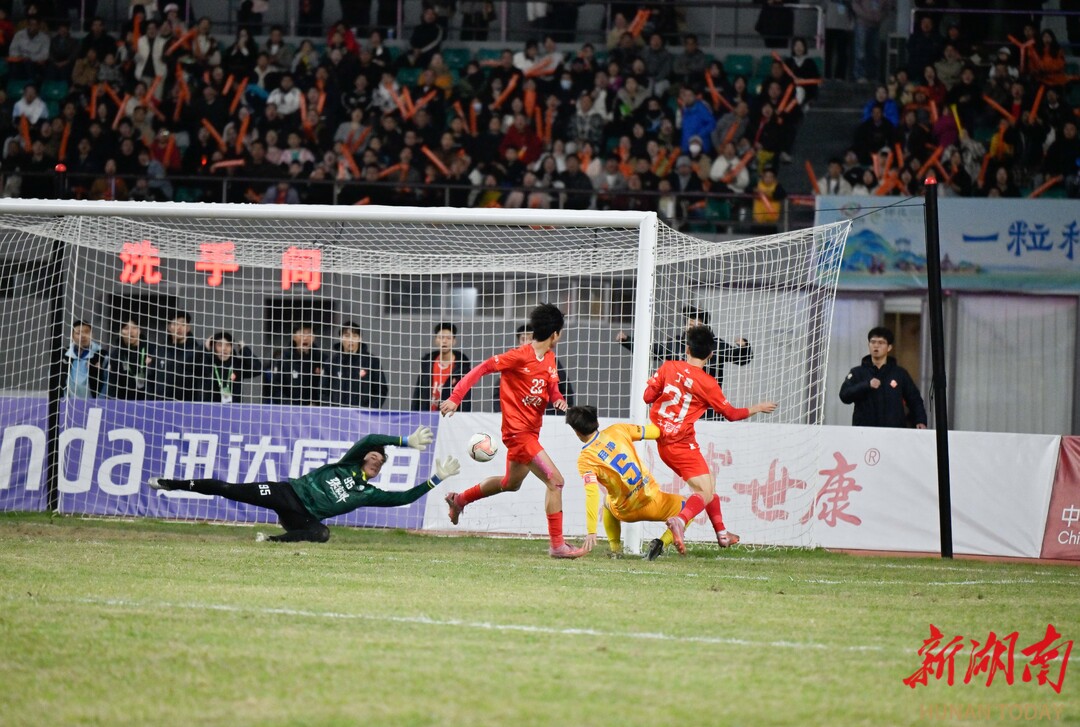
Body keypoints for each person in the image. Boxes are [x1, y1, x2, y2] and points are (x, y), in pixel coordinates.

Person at [441, 304, 589, 559]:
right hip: (518, 434)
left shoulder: (550, 358)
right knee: (556, 482)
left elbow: (552, 387)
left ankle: (460, 500)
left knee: (510, 484)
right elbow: (483, 367)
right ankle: (557, 546)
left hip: (531, 433)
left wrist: (558, 399)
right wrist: (456, 397)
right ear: (555, 334)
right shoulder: (519, 356)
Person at [149, 426, 458, 543]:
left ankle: (273, 541)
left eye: (381, 461)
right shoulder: (347, 464)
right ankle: (171, 483)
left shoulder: (368, 493)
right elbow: (371, 439)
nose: (377, 459)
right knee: (230, 489)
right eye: (374, 456)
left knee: (321, 534)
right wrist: (403, 441)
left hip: (303, 516)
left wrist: (436, 479)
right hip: (288, 493)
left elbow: (404, 497)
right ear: (364, 458)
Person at [645, 325, 777, 557]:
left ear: (687, 349)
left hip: (665, 440)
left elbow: (648, 397)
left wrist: (656, 385)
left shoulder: (668, 366)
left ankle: (722, 534)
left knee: (709, 484)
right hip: (680, 443)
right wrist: (758, 407)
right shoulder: (708, 383)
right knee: (704, 492)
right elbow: (732, 414)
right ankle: (680, 520)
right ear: (711, 355)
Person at [566, 405, 691, 559]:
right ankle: (661, 543)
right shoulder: (618, 430)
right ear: (596, 422)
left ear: (577, 431)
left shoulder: (585, 459)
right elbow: (655, 432)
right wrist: (675, 423)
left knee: (607, 501)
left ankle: (616, 551)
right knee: (689, 506)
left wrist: (592, 531)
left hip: (625, 511)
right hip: (653, 500)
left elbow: (592, 494)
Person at [616, 305, 753, 394]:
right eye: (690, 321)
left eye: (697, 322)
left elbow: (740, 358)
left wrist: (744, 347)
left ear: (704, 326)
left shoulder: (716, 345)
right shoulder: (676, 344)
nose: (692, 324)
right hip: (681, 404)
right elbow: (653, 350)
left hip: (708, 406)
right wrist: (628, 341)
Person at [839, 326, 928, 428]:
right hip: (864, 431)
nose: (876, 346)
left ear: (889, 347)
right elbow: (844, 395)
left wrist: (920, 420)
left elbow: (914, 399)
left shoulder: (899, 373)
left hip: (894, 431)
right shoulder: (857, 372)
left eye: (881, 343)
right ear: (868, 345)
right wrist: (866, 385)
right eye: (873, 342)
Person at [411, 322, 471, 412]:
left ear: (454, 341)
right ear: (436, 340)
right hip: (427, 415)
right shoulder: (427, 364)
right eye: (441, 337)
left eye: (448, 338)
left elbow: (466, 400)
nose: (444, 341)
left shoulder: (462, 368)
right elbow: (418, 393)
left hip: (449, 417)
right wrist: (413, 414)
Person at [327, 322, 387, 409]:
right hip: (338, 414)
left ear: (360, 338)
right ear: (340, 338)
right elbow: (323, 391)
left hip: (363, 415)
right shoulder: (332, 362)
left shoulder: (372, 361)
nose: (351, 340)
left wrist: (369, 410)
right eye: (347, 336)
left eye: (355, 336)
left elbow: (381, 390)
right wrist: (331, 411)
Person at [150, 311, 207, 401]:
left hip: (188, 405)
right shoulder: (160, 350)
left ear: (188, 328)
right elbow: (151, 378)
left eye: (183, 324)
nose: (179, 328)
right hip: (162, 404)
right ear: (169, 327)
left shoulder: (197, 352)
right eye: (175, 324)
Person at [268, 323, 326, 406]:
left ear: (314, 337)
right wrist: (290, 407)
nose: (305, 338)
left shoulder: (322, 359)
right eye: (302, 334)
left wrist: (317, 404)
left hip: (315, 409)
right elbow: (276, 389)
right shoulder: (283, 359)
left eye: (309, 334)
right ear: (294, 337)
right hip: (289, 409)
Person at [203, 331, 263, 403]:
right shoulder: (207, 363)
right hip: (210, 408)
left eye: (227, 345)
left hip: (234, 408)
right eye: (220, 345)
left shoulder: (237, 364)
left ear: (232, 348)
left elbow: (258, 369)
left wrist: (244, 349)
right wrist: (204, 348)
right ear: (213, 347)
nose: (224, 348)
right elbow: (190, 363)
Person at [107, 317, 151, 400]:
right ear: (120, 332)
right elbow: (113, 384)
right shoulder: (115, 355)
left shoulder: (151, 350)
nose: (130, 331)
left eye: (134, 328)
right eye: (126, 328)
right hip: (124, 401)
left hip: (148, 401)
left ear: (139, 330)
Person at [65, 320, 106, 398]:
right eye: (78, 333)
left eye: (86, 332)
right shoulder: (63, 355)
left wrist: (101, 401)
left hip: (94, 402)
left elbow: (108, 382)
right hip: (68, 402)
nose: (83, 335)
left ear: (92, 335)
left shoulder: (102, 355)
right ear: (72, 336)